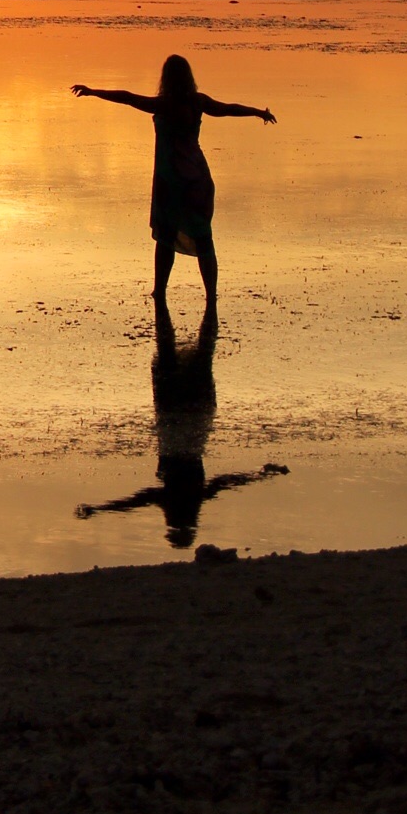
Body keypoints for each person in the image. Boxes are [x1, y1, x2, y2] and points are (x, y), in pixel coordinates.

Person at [74, 302, 288, 547]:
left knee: (189, 354)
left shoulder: (181, 497)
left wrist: (100, 510)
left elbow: (134, 502)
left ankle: (176, 304)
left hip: (187, 411)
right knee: (183, 354)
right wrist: (260, 474)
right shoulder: (182, 496)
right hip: (182, 411)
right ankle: (198, 304)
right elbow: (227, 482)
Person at [71, 54, 275, 309]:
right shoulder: (197, 102)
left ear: (166, 78)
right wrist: (258, 112)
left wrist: (93, 92)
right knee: (202, 238)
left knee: (166, 237)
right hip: (197, 179)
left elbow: (127, 97)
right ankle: (209, 297)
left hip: (173, 182)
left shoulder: (163, 105)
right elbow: (228, 109)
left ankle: (161, 291)